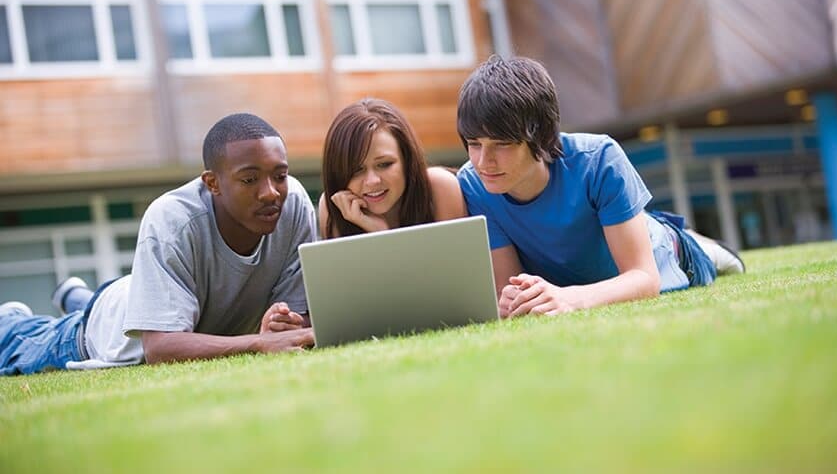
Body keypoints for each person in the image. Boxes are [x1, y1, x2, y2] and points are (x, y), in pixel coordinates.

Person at [0, 113, 316, 376]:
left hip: (152, 294)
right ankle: (13, 319)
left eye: (280, 176)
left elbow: (294, 323)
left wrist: (284, 324)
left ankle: (74, 295)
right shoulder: (172, 219)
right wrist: (257, 343)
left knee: (110, 299)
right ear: (212, 183)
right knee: (20, 344)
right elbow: (160, 348)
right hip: (108, 326)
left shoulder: (295, 204)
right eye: (250, 180)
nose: (271, 192)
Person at [455, 56, 745, 318]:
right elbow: (512, 286)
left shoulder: (599, 158)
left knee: (689, 251)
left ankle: (701, 245)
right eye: (474, 144)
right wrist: (511, 299)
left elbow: (645, 278)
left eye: (502, 144)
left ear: (540, 137)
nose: (484, 161)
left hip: (671, 256)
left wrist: (571, 297)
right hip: (583, 269)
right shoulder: (473, 184)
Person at [318, 98, 466, 238]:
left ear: (407, 160)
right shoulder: (331, 207)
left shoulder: (440, 188)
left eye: (384, 164)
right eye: (356, 170)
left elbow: (452, 265)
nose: (372, 181)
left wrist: (383, 234)